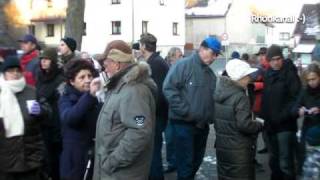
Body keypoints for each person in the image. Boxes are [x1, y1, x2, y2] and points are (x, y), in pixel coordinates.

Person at [93, 40, 157, 180]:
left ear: (117, 64)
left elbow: (140, 131)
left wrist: (112, 162)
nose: (104, 68)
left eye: (106, 64)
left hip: (122, 173)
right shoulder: (120, 87)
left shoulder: (134, 91)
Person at [163, 36, 220, 179]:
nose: (214, 57)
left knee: (196, 162)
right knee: (186, 165)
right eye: (212, 53)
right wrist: (187, 112)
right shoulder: (183, 65)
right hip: (183, 125)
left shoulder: (210, 74)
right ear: (202, 49)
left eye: (216, 54)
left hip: (202, 126)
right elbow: (169, 89)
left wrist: (211, 117)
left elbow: (210, 99)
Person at [214, 59, 264, 180]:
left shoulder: (219, 91)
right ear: (240, 78)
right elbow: (244, 125)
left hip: (223, 148)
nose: (249, 79)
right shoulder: (240, 97)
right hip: (239, 150)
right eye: (247, 76)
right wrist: (259, 125)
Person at [260, 44, 301, 180]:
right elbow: (266, 99)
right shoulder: (267, 75)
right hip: (270, 126)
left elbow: (297, 99)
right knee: (274, 161)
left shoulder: (290, 73)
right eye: (273, 59)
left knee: (285, 163)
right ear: (268, 60)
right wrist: (264, 119)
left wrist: (285, 115)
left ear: (282, 58)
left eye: (278, 59)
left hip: (285, 126)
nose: (276, 62)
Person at [0, 56, 45, 180]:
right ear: (4, 73)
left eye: (17, 70)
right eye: (10, 71)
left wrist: (41, 110)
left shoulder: (31, 91)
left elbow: (48, 113)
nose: (15, 74)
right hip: (5, 159)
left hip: (30, 157)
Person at [58, 59, 102, 180]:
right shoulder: (66, 98)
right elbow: (70, 118)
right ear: (72, 81)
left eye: (89, 76)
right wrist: (90, 96)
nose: (87, 80)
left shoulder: (96, 97)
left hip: (93, 155)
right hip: (74, 159)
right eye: (81, 77)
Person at [139, 33, 169, 180]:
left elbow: (157, 94)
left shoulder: (154, 63)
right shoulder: (157, 61)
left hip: (155, 116)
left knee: (153, 153)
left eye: (140, 44)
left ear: (143, 46)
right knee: (153, 152)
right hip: (157, 115)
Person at [36, 47, 64, 180]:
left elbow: (60, 104)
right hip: (42, 123)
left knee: (54, 161)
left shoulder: (60, 79)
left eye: (46, 59)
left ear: (52, 61)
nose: (43, 62)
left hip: (54, 127)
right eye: (42, 59)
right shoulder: (40, 77)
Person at [292, 63, 320, 174]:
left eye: (314, 79)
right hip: (308, 131)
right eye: (308, 80)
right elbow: (294, 109)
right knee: (307, 163)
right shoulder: (304, 92)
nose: (311, 82)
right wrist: (299, 111)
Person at [163, 47, 183, 173]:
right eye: (179, 55)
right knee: (170, 138)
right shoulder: (167, 69)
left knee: (178, 138)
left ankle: (176, 161)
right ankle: (172, 162)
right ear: (172, 57)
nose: (182, 57)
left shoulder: (182, 69)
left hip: (177, 110)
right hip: (168, 110)